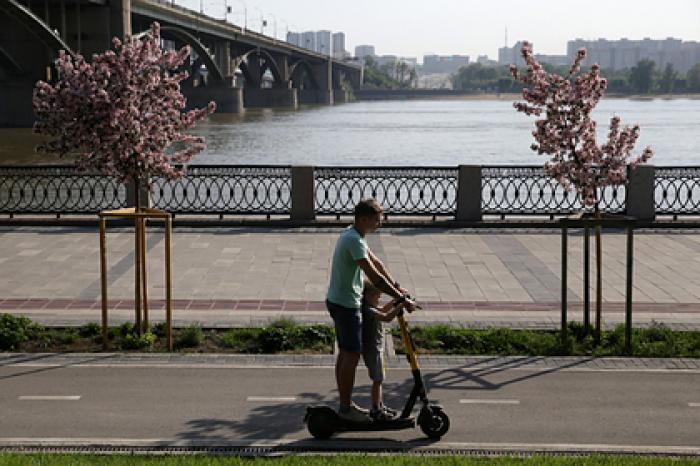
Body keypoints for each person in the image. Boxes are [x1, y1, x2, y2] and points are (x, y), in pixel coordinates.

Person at [326, 198, 415, 423]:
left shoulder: (354, 235)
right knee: (351, 355)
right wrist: (400, 298)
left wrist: (398, 287)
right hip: (346, 304)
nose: (379, 224)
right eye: (377, 220)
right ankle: (346, 409)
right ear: (364, 218)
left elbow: (379, 265)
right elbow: (374, 277)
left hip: (341, 300)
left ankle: (344, 405)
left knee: (346, 354)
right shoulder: (353, 240)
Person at [361, 280, 405, 421]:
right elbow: (387, 317)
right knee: (377, 379)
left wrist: (395, 300)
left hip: (376, 348)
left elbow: (384, 310)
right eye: (377, 296)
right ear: (368, 295)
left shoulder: (370, 307)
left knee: (379, 379)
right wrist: (402, 304)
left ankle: (380, 405)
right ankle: (376, 409)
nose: (379, 299)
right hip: (372, 349)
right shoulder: (367, 310)